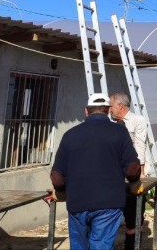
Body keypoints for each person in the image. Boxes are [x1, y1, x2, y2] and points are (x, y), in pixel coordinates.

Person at [50, 93, 141, 250]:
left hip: (77, 203)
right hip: (109, 203)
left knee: (79, 246)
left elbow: (57, 176)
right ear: (108, 111)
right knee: (101, 246)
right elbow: (132, 169)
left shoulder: (70, 135)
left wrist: (61, 190)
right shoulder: (119, 132)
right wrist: (134, 181)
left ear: (86, 111)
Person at [109, 92, 149, 250]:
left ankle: (131, 244)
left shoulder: (137, 121)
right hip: (114, 174)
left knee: (134, 212)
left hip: (132, 172)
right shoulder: (110, 122)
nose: (109, 109)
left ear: (120, 106)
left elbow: (140, 146)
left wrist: (140, 171)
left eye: (111, 106)